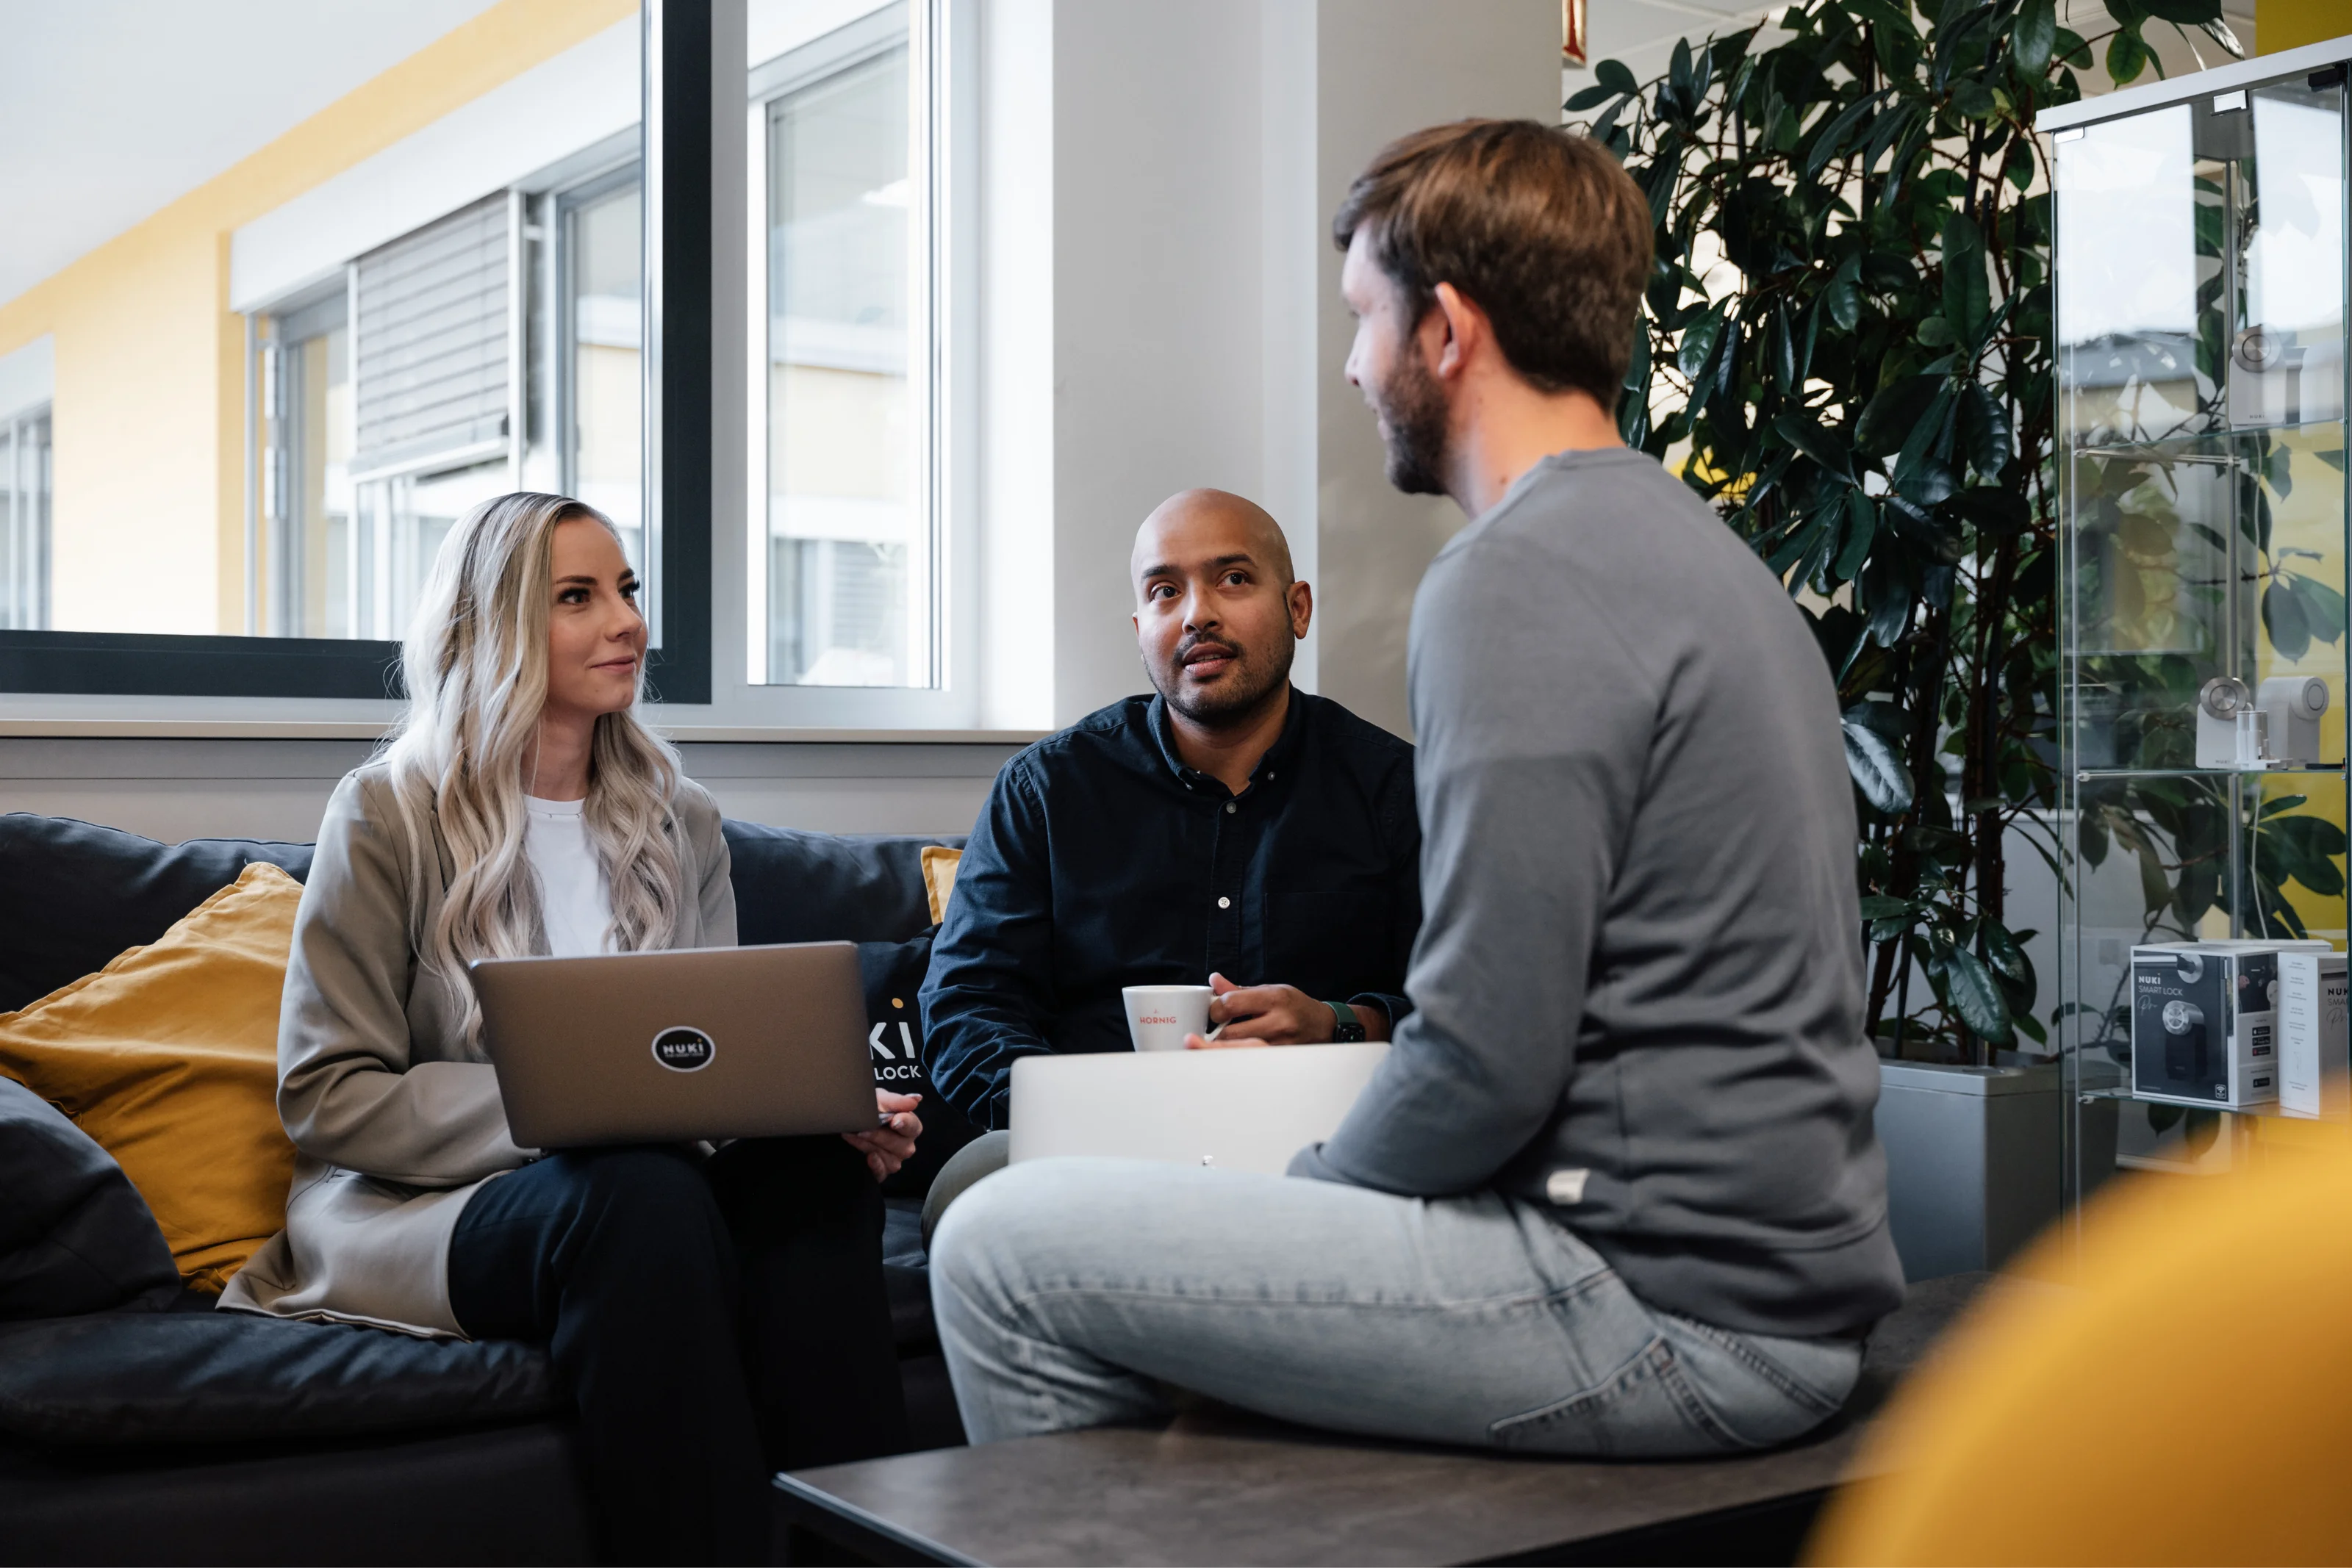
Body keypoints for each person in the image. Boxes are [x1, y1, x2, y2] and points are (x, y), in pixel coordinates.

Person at [928, 121, 1905, 1457]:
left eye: (1361, 319)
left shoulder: (1516, 575)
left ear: (1446, 328)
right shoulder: (1706, 556)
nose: (1350, 365)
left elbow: (1485, 1054)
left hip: (1659, 1298)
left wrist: (1302, 1203)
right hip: (1782, 1271)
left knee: (993, 1243)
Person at [221, 492, 924, 1563]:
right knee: (634, 1195)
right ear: (495, 625)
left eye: (628, 591)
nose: (627, 621)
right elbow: (331, 1092)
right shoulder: (385, 813)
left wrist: (810, 1110)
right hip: (430, 1207)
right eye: (578, 597)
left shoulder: (679, 817)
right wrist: (568, 1109)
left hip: (651, 1180)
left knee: (808, 1182)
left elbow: (707, 1063)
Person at [919, 488, 1419, 1152]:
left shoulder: (1398, 789)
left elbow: (1475, 1012)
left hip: (1331, 1136)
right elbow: (967, 1005)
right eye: (1164, 592)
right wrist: (1080, 1117)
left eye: (1233, 579)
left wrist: (1341, 1025)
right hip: (1090, 1143)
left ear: (1297, 608)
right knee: (972, 1197)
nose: (1196, 616)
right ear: (1140, 631)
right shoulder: (1046, 789)